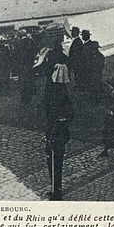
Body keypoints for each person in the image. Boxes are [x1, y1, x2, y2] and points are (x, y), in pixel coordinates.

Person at [44, 63, 75, 201]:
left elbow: (68, 114)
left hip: (57, 132)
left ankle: (57, 191)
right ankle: (55, 188)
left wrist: (61, 119)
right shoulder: (60, 91)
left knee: (55, 162)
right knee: (53, 162)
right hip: (55, 131)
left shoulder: (58, 93)